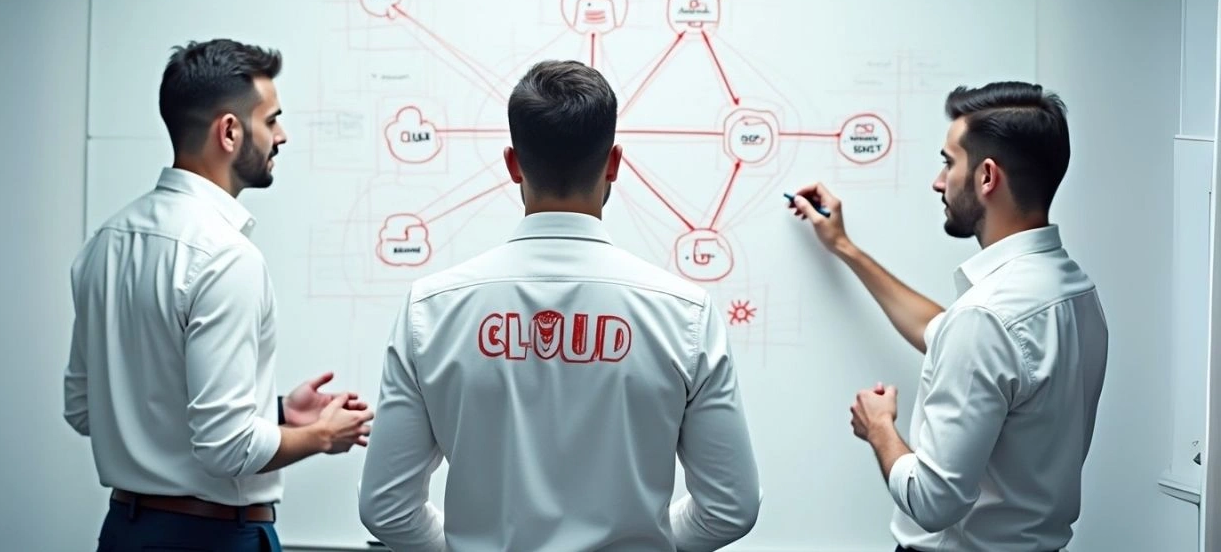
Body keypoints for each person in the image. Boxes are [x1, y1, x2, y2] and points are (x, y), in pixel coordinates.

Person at [357, 60, 762, 551]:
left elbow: (387, 507)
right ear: (614, 163)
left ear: (513, 164)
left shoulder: (431, 309)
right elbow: (731, 506)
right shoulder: (685, 314)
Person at [63, 38, 374, 552]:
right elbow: (227, 449)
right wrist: (322, 435)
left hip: (124, 534)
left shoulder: (105, 243)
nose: (281, 136)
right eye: (271, 120)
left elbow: (84, 410)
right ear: (229, 131)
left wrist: (275, 411)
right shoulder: (225, 257)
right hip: (213, 538)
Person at [788, 82, 1108, 551]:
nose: (939, 181)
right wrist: (844, 247)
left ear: (986, 176)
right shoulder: (1071, 290)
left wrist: (879, 427)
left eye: (948, 162)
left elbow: (932, 501)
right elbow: (939, 330)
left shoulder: (986, 316)